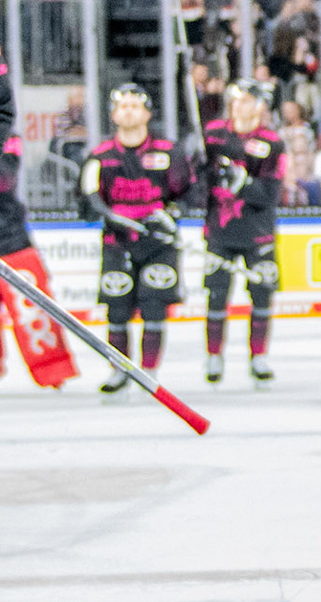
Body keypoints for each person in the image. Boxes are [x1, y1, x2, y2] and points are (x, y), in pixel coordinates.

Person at [81, 85, 193, 394]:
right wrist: (107, 214)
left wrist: (172, 213)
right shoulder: (100, 157)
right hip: (117, 242)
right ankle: (118, 370)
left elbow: (189, 192)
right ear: (114, 114)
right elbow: (88, 205)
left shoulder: (168, 152)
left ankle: (149, 371)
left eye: (135, 105)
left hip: (159, 242)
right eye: (123, 106)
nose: (128, 111)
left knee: (154, 306)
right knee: (116, 309)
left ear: (147, 113)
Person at [199, 79, 287, 386]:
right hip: (220, 228)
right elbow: (198, 178)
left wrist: (242, 182)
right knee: (216, 293)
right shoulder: (212, 134)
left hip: (257, 230)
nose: (240, 104)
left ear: (260, 105)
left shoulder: (271, 142)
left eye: (248, 100)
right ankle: (214, 355)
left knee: (262, 293)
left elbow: (271, 194)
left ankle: (258, 356)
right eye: (236, 99)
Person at [0, 52, 78, 390]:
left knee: (32, 307)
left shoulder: (7, 137)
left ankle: (53, 372)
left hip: (8, 236)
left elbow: (6, 178)